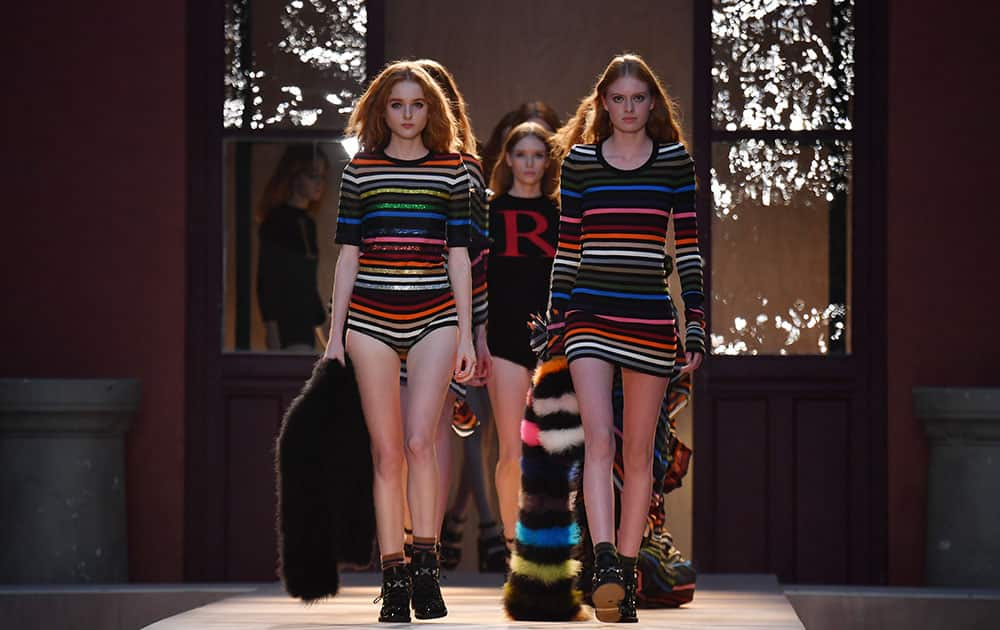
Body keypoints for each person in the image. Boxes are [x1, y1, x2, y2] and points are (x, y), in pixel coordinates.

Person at [546, 53, 705, 623]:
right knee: (598, 444)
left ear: (653, 104)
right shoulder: (582, 163)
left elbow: (686, 248)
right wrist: (556, 318)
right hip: (589, 313)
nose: (629, 108)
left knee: (640, 454)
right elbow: (567, 249)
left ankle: (628, 576)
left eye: (639, 99)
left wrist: (696, 324)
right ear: (603, 103)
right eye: (619, 98)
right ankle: (607, 563)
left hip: (650, 319)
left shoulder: (674, 164)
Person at [323, 60, 476, 623]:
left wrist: (464, 333)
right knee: (386, 453)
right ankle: (392, 580)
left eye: (418, 105)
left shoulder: (453, 170)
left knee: (420, 444)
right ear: (380, 110)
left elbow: (459, 257)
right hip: (370, 319)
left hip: (434, 313)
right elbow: (348, 257)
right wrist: (334, 336)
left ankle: (426, 572)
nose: (408, 114)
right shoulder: (360, 170)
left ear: (431, 111)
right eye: (397, 104)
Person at [484, 122, 561, 554]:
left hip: (553, 343)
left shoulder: (561, 214)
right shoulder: (489, 213)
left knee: (553, 449)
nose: (530, 163)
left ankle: (549, 546)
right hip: (503, 341)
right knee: (511, 449)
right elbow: (476, 283)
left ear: (547, 162)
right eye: (522, 154)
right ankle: (514, 546)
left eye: (538, 155)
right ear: (508, 159)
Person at [256, 144, 330, 351]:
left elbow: (308, 285)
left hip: (305, 327)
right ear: (295, 176)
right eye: (312, 175)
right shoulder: (276, 220)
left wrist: (327, 338)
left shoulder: (308, 223)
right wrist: (271, 330)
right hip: (286, 327)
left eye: (322, 177)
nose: (319, 184)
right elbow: (267, 279)